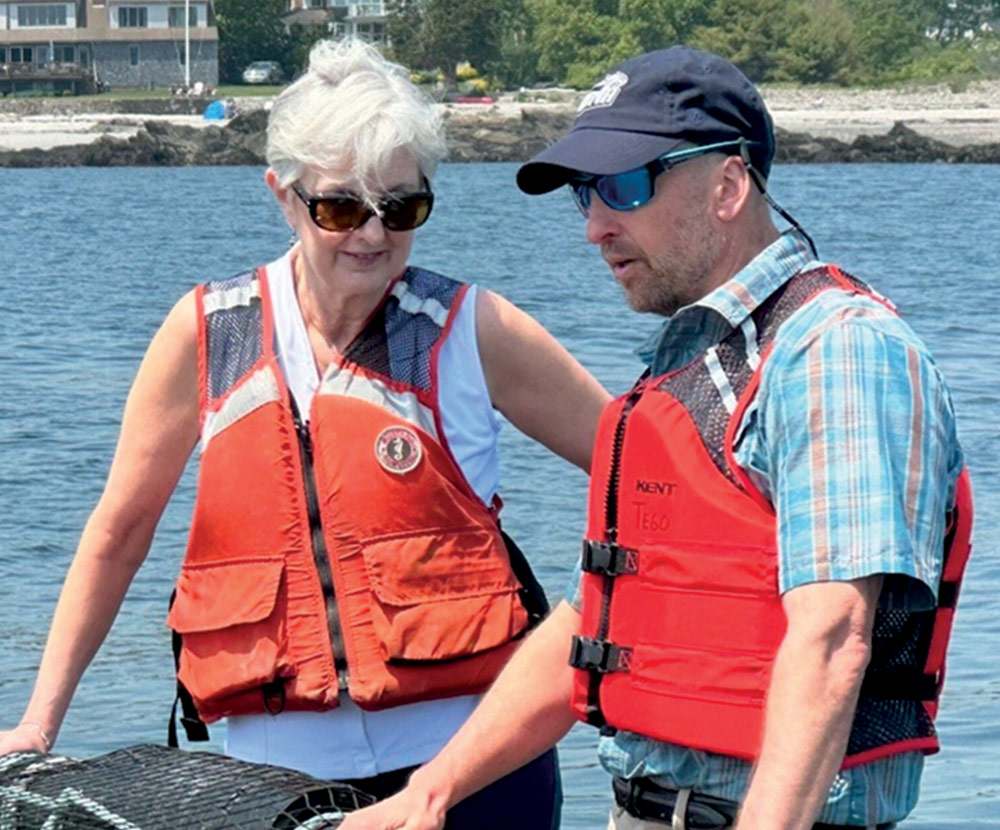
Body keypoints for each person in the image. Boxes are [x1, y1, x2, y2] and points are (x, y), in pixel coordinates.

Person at [340, 46, 973, 830]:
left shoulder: (834, 351)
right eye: (584, 195)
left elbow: (834, 638)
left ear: (728, 187)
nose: (596, 227)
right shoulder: (688, 363)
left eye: (624, 187)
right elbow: (595, 619)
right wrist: (430, 793)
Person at [0, 38, 611, 830]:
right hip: (269, 785)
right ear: (283, 197)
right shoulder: (202, 336)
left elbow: (647, 474)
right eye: (341, 206)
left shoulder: (474, 331)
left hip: (473, 769)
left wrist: (595, 638)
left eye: (402, 206)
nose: (372, 233)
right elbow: (119, 530)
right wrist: (40, 723)